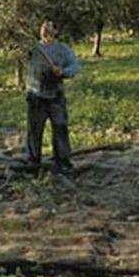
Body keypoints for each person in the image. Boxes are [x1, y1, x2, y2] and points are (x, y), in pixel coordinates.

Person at [25, 21, 81, 173]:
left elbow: (75, 66)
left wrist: (63, 72)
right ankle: (33, 162)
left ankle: (62, 161)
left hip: (56, 95)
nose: (44, 29)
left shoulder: (63, 49)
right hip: (36, 95)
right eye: (42, 27)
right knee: (35, 129)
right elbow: (15, 51)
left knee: (60, 127)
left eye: (49, 26)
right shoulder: (32, 48)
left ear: (55, 31)